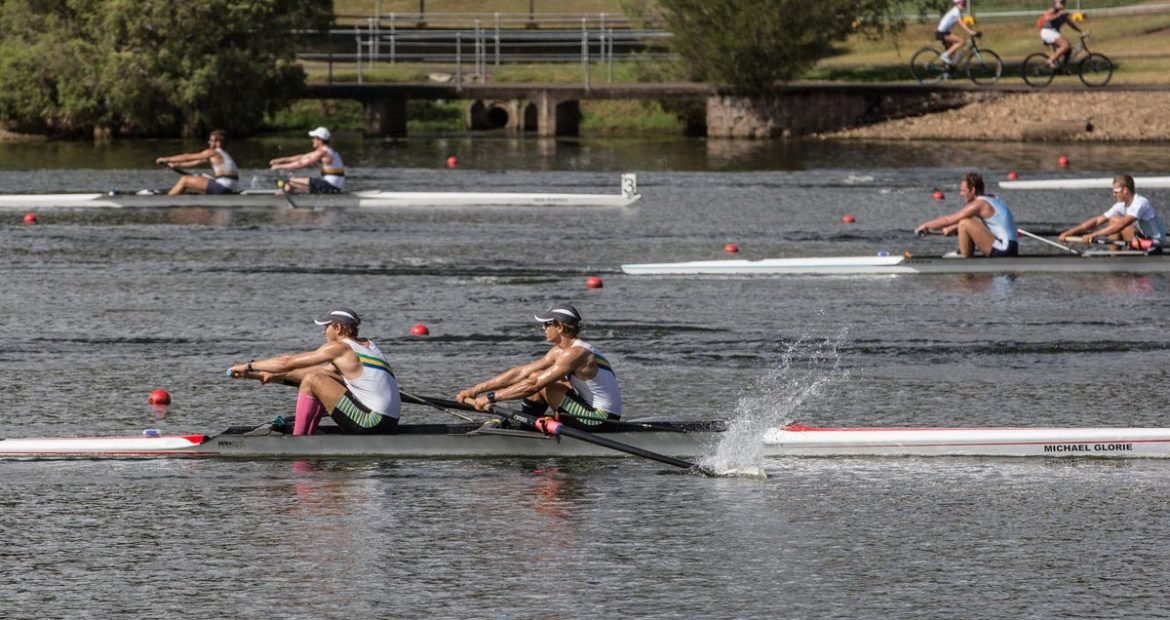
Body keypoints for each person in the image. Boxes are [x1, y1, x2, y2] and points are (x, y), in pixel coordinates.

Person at [228, 307, 400, 435]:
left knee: (313, 379)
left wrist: (248, 366)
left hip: (372, 423)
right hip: (388, 423)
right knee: (317, 377)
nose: (323, 331)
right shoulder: (366, 345)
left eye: (326, 327)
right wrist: (271, 376)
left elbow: (288, 362)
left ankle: (300, 440)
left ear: (338, 328)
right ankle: (309, 434)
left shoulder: (340, 348)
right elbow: (320, 374)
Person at [454, 304, 622, 431]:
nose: (543, 328)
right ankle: (526, 425)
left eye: (547, 324)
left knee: (541, 383)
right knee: (537, 375)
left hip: (600, 420)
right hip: (589, 411)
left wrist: (490, 398)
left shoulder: (576, 354)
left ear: (561, 327)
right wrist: (476, 389)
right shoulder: (561, 351)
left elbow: (533, 385)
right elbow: (521, 372)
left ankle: (524, 427)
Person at [915, 172, 1018, 258]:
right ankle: (964, 254)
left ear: (972, 190)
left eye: (963, 190)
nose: (961, 194)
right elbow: (978, 224)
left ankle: (964, 259)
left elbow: (948, 219)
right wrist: (954, 228)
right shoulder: (992, 198)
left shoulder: (978, 204)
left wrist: (926, 225)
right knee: (963, 223)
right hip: (1011, 248)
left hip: (1004, 249)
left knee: (964, 223)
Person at [1058, 175, 1165, 252]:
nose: (1114, 195)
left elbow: (1121, 225)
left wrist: (1094, 235)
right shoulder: (1121, 205)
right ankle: (1114, 258)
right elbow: (1097, 221)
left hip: (1154, 245)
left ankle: (1114, 261)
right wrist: (1069, 232)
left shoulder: (1140, 202)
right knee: (1114, 219)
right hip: (1141, 241)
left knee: (1116, 221)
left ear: (1125, 190)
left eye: (1116, 191)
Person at [154, 129, 239, 196]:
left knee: (185, 180)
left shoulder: (213, 152)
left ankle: (168, 200)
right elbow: (193, 162)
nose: (209, 142)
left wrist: (166, 159)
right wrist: (175, 165)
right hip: (231, 187)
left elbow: (188, 157)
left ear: (218, 142)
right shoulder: (225, 154)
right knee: (201, 177)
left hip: (222, 187)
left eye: (211, 140)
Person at [268, 127, 346, 194]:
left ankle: (282, 199)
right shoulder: (327, 150)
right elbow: (302, 157)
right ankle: (284, 197)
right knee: (291, 182)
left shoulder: (323, 152)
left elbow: (301, 164)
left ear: (319, 139)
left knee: (289, 181)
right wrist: (281, 160)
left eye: (314, 138)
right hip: (333, 185)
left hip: (330, 186)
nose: (312, 140)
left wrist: (279, 167)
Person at [1039, 0, 1085, 69]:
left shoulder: (1063, 13)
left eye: (1064, 2)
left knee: (1068, 50)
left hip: (1054, 32)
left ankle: (1063, 68)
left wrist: (1081, 31)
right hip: (1048, 31)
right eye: (1061, 2)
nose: (1063, 4)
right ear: (1056, 2)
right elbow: (1047, 18)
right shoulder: (1053, 10)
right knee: (1065, 45)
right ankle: (1050, 61)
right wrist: (1058, 14)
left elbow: (1071, 24)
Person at [936, 0, 979, 69]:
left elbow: (963, 21)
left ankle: (948, 71)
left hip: (946, 32)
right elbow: (961, 23)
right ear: (957, 3)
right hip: (942, 33)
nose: (964, 5)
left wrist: (971, 22)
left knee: (953, 53)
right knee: (961, 41)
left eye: (964, 3)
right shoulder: (956, 11)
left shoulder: (957, 11)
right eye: (962, 3)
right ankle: (944, 55)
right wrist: (970, 32)